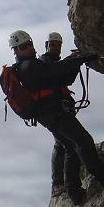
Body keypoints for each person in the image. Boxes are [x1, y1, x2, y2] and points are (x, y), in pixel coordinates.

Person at [8, 30, 104, 204]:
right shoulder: (30, 66)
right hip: (54, 113)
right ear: (16, 51)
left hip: (49, 115)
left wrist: (76, 62)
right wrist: (82, 59)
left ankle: (75, 193)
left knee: (71, 147)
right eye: (24, 47)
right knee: (84, 142)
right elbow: (55, 69)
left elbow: (59, 77)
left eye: (30, 44)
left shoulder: (27, 66)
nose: (29, 48)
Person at [39, 32, 71, 198]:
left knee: (61, 144)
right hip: (53, 112)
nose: (55, 48)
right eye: (53, 45)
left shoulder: (52, 62)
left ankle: (60, 181)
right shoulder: (44, 62)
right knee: (62, 143)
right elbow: (56, 76)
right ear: (47, 45)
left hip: (58, 109)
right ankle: (58, 183)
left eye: (58, 45)